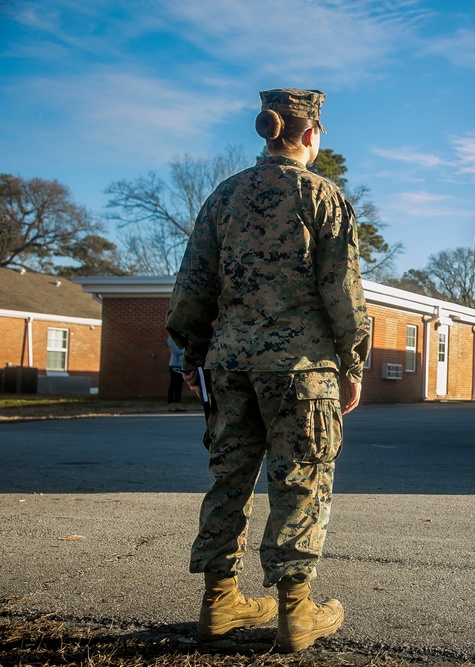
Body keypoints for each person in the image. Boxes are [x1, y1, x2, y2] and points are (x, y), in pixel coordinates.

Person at [165, 88, 371, 653]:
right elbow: (343, 293)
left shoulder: (223, 197)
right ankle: (296, 613)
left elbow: (192, 288)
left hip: (229, 366)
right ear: (309, 134)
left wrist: (190, 353)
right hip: (301, 371)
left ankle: (218, 603)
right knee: (300, 481)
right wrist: (353, 363)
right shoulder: (323, 197)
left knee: (228, 480)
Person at [167, 336, 185, 412]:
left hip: (182, 365)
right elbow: (177, 351)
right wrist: (187, 350)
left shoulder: (181, 337)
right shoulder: (170, 338)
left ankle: (178, 403)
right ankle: (170, 403)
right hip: (174, 365)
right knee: (173, 384)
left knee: (179, 385)